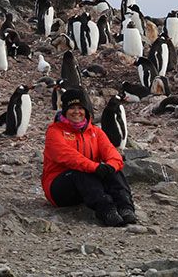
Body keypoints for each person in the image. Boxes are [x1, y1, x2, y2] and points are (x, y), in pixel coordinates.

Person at [41, 88, 137, 227]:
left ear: (86, 110)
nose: (77, 112)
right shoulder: (55, 132)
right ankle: (106, 210)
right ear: (64, 110)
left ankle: (125, 207)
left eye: (80, 108)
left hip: (88, 183)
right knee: (80, 172)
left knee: (114, 171)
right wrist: (95, 167)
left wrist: (110, 166)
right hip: (59, 188)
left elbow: (112, 153)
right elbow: (67, 156)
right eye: (72, 108)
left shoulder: (95, 132)